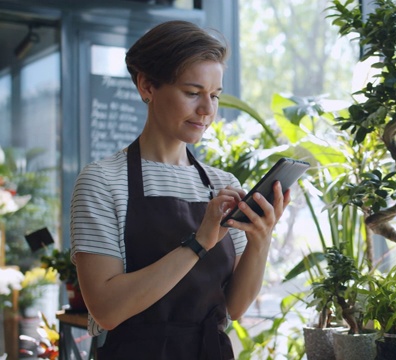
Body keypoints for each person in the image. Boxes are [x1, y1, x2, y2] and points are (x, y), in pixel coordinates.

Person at [70, 20, 290, 359]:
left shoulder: (223, 184)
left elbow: (234, 307)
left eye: (214, 96)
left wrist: (262, 239)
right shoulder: (102, 182)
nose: (206, 110)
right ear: (147, 86)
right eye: (192, 93)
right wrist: (199, 242)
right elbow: (107, 310)